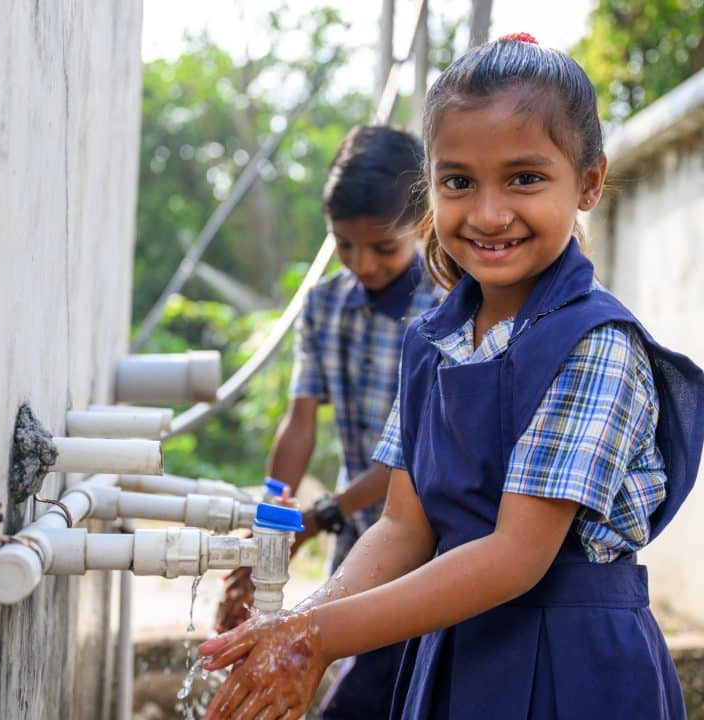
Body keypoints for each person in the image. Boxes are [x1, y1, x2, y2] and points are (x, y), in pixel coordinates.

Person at [199, 34, 704, 720]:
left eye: (525, 178)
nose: (489, 214)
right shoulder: (432, 341)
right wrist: (300, 621)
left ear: (588, 182)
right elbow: (404, 527)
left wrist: (314, 637)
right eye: (459, 182)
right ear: (430, 188)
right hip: (455, 654)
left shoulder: (596, 346)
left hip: (573, 668)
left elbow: (514, 556)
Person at [213, 124, 441, 719]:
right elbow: (299, 428)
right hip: (358, 535)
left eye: (382, 248)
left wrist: (315, 518)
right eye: (344, 245)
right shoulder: (324, 304)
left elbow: (415, 459)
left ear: (422, 226)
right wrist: (267, 524)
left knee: (375, 694)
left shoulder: (449, 309)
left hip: (436, 542)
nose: (361, 263)